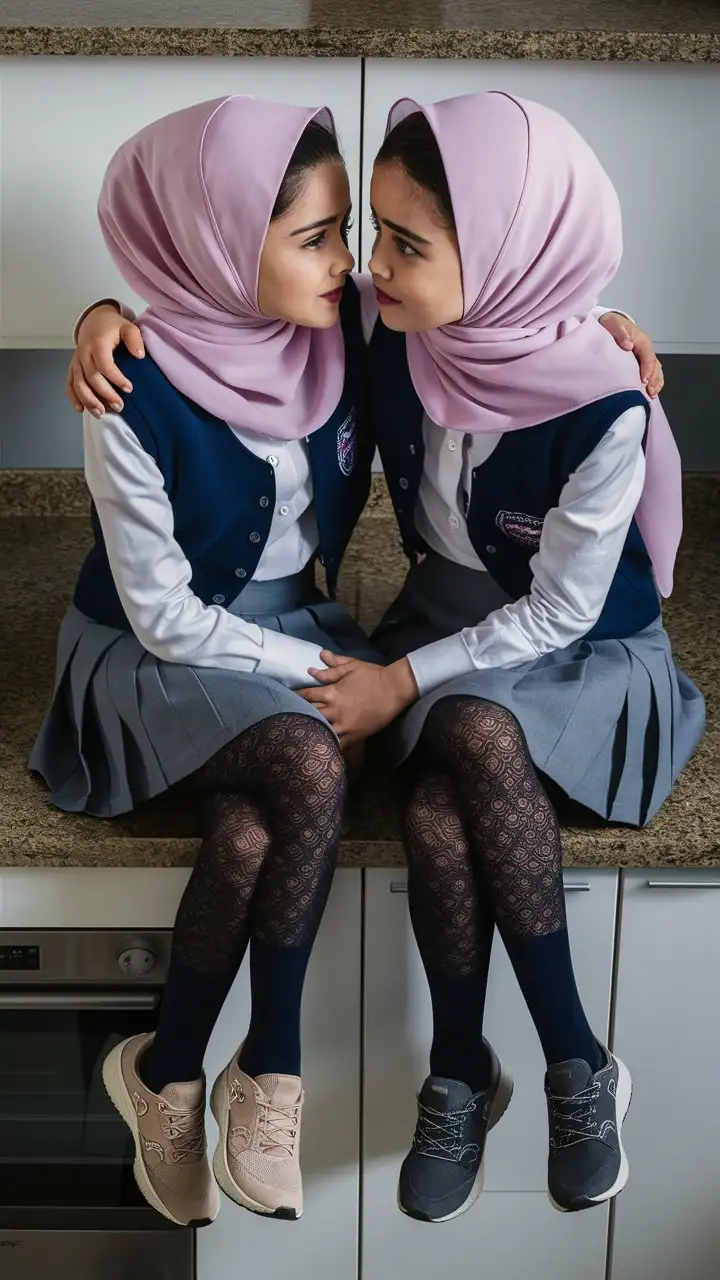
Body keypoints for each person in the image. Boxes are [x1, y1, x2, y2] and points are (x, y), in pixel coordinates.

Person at [292, 93, 705, 1222]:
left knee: (467, 738)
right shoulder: (394, 329)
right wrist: (99, 315)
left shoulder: (602, 401)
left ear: (515, 259)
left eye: (405, 244)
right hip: (443, 614)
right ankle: (485, 1068)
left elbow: (561, 610)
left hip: (578, 646)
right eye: (373, 233)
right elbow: (220, 303)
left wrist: (395, 683)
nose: (371, 266)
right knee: (434, 810)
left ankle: (555, 1061)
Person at [31, 93, 381, 1229]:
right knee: (312, 756)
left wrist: (610, 330)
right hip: (157, 648)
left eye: (346, 230)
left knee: (246, 828)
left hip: (287, 630)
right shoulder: (129, 379)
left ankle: (167, 1071)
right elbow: (169, 616)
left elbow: (499, 305)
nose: (349, 261)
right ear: (224, 240)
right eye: (317, 235)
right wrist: (99, 310)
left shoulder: (345, 323)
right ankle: (269, 1072)